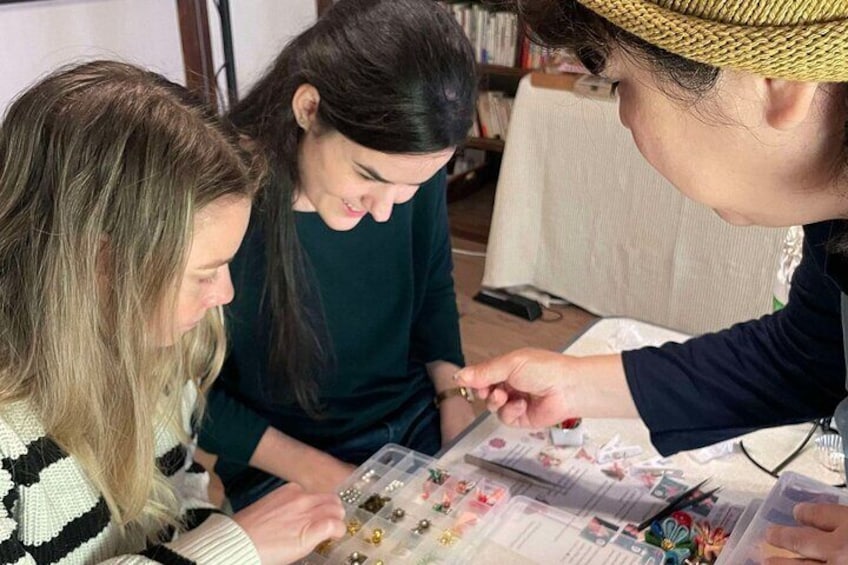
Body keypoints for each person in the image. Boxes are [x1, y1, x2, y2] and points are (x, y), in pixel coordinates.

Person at [453, 1, 848, 562]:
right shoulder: (834, 223)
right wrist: (576, 385)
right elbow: (810, 355)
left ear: (779, 81)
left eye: (619, 85)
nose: (624, 118)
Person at [0, 60, 344, 565]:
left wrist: (216, 524)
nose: (224, 294)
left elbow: (177, 491)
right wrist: (232, 547)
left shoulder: (157, 347)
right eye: (205, 273)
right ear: (100, 262)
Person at [196, 0, 478, 510]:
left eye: (411, 186)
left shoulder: (408, 168)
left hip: (411, 420)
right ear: (308, 109)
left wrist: (453, 396)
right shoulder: (221, 204)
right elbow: (185, 395)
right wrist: (324, 474)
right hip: (283, 456)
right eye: (369, 177)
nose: (384, 211)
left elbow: (433, 287)